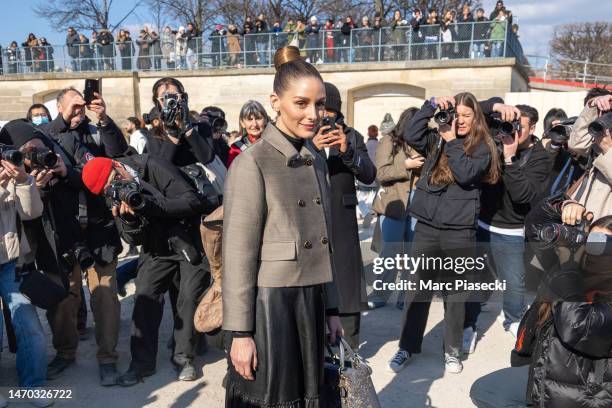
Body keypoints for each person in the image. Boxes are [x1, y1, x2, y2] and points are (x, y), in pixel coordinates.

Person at [222, 45, 342, 407]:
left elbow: (326, 242)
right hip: (271, 305)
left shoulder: (316, 161)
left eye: (319, 104)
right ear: (276, 101)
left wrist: (332, 309)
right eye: (301, 103)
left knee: (311, 396)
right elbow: (238, 255)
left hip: (312, 300)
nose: (313, 114)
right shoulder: (251, 163)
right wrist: (240, 333)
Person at [389, 93, 513, 374]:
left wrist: (452, 141)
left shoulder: (484, 146)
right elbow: (411, 133)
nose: (460, 121)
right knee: (417, 291)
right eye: (456, 115)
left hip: (459, 231)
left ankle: (453, 351)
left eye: (467, 115)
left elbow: (466, 172)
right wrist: (431, 106)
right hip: (427, 227)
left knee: (455, 294)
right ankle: (406, 347)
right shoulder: (437, 138)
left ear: (476, 118)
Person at [80, 151, 215, 386]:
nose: (115, 188)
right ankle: (141, 364)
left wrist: (149, 206)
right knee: (144, 298)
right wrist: (131, 221)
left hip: (189, 239)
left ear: (117, 166)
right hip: (156, 248)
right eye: (107, 190)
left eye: (114, 181)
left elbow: (191, 200)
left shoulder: (150, 164)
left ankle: (184, 357)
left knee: (189, 297)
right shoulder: (113, 195)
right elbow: (133, 240)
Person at [43, 87, 127, 385]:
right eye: (73, 106)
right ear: (59, 106)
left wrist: (103, 117)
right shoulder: (47, 136)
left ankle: (107, 358)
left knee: (105, 296)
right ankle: (65, 352)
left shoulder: (96, 132)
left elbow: (117, 156)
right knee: (65, 296)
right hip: (64, 230)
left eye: (83, 106)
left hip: (99, 227)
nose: (80, 110)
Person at [466, 105, 552, 341]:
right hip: (483, 224)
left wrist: (510, 159)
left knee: (513, 283)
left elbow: (524, 195)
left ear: (533, 128)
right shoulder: (496, 141)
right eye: (510, 125)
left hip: (512, 230)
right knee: (476, 280)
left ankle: (513, 320)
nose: (512, 131)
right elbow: (472, 109)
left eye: (519, 127)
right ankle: (469, 325)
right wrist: (495, 106)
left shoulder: (541, 158)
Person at [310, 81, 375, 349]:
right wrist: (312, 147)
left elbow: (369, 175)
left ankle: (351, 345)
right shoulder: (303, 137)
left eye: (330, 113)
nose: (324, 119)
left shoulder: (353, 136)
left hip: (342, 218)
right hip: (311, 220)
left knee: (347, 281)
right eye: (320, 112)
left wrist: (347, 151)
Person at [0, 138, 48, 406]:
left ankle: (32, 386)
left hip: (12, 262)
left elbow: (31, 213)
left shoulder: (11, 175)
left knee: (30, 328)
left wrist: (22, 181)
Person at [370, 108, 423, 309]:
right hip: (394, 204)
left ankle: (405, 297)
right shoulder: (388, 140)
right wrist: (406, 164)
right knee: (389, 255)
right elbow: (381, 173)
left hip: (418, 204)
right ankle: (380, 295)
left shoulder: (422, 142)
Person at [566, 92, 612, 221]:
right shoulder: (607, 137)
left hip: (604, 227)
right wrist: (593, 105)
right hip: (582, 219)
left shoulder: (607, 145)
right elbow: (577, 144)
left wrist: (608, 149)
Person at [227, 100, 268, 167]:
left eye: (258, 118)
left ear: (265, 120)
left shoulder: (275, 144)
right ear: (242, 123)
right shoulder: (236, 149)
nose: (254, 124)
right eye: (249, 119)